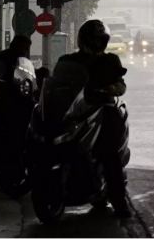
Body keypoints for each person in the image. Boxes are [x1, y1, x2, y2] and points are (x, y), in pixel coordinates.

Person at [53, 20, 131, 218]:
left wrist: (109, 89)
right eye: (92, 40)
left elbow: (120, 85)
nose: (95, 44)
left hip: (101, 109)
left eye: (99, 40)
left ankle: (120, 202)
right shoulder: (68, 60)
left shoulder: (110, 61)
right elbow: (56, 81)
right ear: (83, 40)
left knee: (109, 152)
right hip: (73, 110)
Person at [0, 35, 34, 181]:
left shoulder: (24, 63)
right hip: (1, 101)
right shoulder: (1, 60)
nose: (24, 50)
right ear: (15, 45)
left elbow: (29, 79)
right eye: (23, 47)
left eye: (26, 48)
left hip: (19, 102)